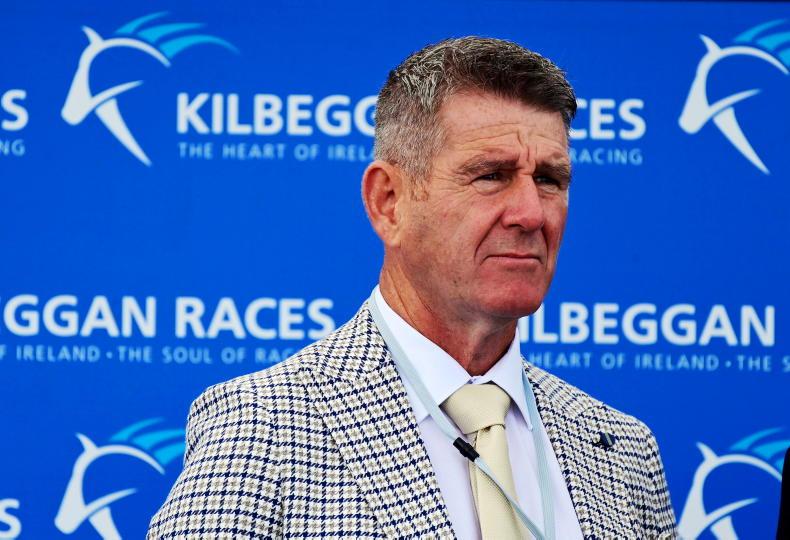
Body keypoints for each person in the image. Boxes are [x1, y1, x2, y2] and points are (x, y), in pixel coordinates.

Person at [148, 37, 676, 539]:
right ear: (389, 202)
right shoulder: (262, 427)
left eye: (549, 180)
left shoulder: (622, 450)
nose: (530, 214)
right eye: (491, 175)